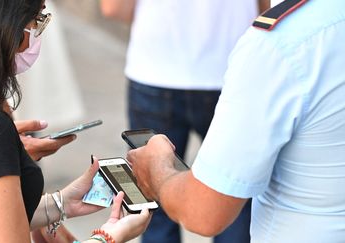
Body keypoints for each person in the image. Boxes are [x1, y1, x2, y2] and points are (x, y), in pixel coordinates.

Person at [0, 1, 151, 242]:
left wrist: (62, 203)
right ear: (2, 25)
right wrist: (108, 237)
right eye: (36, 21)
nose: (35, 37)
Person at [127, 0, 345, 242]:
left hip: (155, 68)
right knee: (237, 207)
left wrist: (156, 171)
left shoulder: (280, 45)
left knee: (165, 217)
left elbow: (203, 212)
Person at [100, 1, 269, 243]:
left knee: (152, 202)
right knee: (233, 197)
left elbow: (113, 8)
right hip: (230, 67)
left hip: (155, 67)